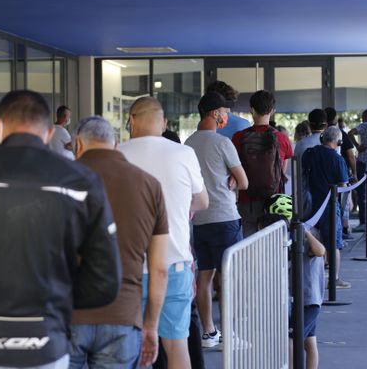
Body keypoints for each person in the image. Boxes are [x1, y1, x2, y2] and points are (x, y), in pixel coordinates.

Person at [0, 90, 121, 368]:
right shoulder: (82, 181)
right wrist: (57, 304)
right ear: (50, 133)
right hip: (45, 345)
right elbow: (106, 282)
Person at [70, 116, 169, 368]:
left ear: (78, 145)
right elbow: (159, 269)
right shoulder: (149, 185)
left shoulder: (61, 181)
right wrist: (150, 325)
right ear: (115, 145)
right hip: (124, 315)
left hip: (67, 315)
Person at [119, 97, 209, 369]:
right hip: (174, 264)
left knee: (128, 347)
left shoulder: (117, 153)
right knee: (176, 344)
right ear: (164, 123)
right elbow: (203, 201)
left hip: (128, 267)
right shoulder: (182, 154)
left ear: (131, 120)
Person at [185, 92, 248, 348]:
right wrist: (232, 180)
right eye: (224, 112)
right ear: (214, 114)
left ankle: (209, 333)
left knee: (205, 275)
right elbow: (243, 181)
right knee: (229, 278)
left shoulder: (187, 143)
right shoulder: (223, 143)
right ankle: (230, 335)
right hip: (225, 217)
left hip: (200, 219)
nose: (227, 116)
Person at [257, 209, 325, 369]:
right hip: (301, 301)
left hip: (309, 301)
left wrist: (306, 233)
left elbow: (321, 251)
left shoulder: (303, 242)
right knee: (309, 342)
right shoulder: (286, 245)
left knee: (291, 340)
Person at [232, 90, 293, 236]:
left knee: (249, 244)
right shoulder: (282, 138)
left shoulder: (238, 138)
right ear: (272, 111)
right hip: (274, 202)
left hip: (247, 200)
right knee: (273, 245)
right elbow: (282, 173)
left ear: (251, 109)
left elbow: (234, 169)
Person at [302, 126, 350, 289]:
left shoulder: (310, 154)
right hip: (329, 206)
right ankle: (334, 279)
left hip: (311, 205)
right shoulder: (338, 159)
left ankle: (315, 276)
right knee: (334, 244)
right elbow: (343, 185)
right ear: (339, 141)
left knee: (313, 241)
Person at [325, 107, 357, 236]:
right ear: (335, 118)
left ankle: (334, 230)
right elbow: (350, 154)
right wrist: (354, 172)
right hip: (340, 174)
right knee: (342, 202)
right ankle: (343, 228)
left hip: (323, 176)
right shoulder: (340, 133)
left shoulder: (323, 133)